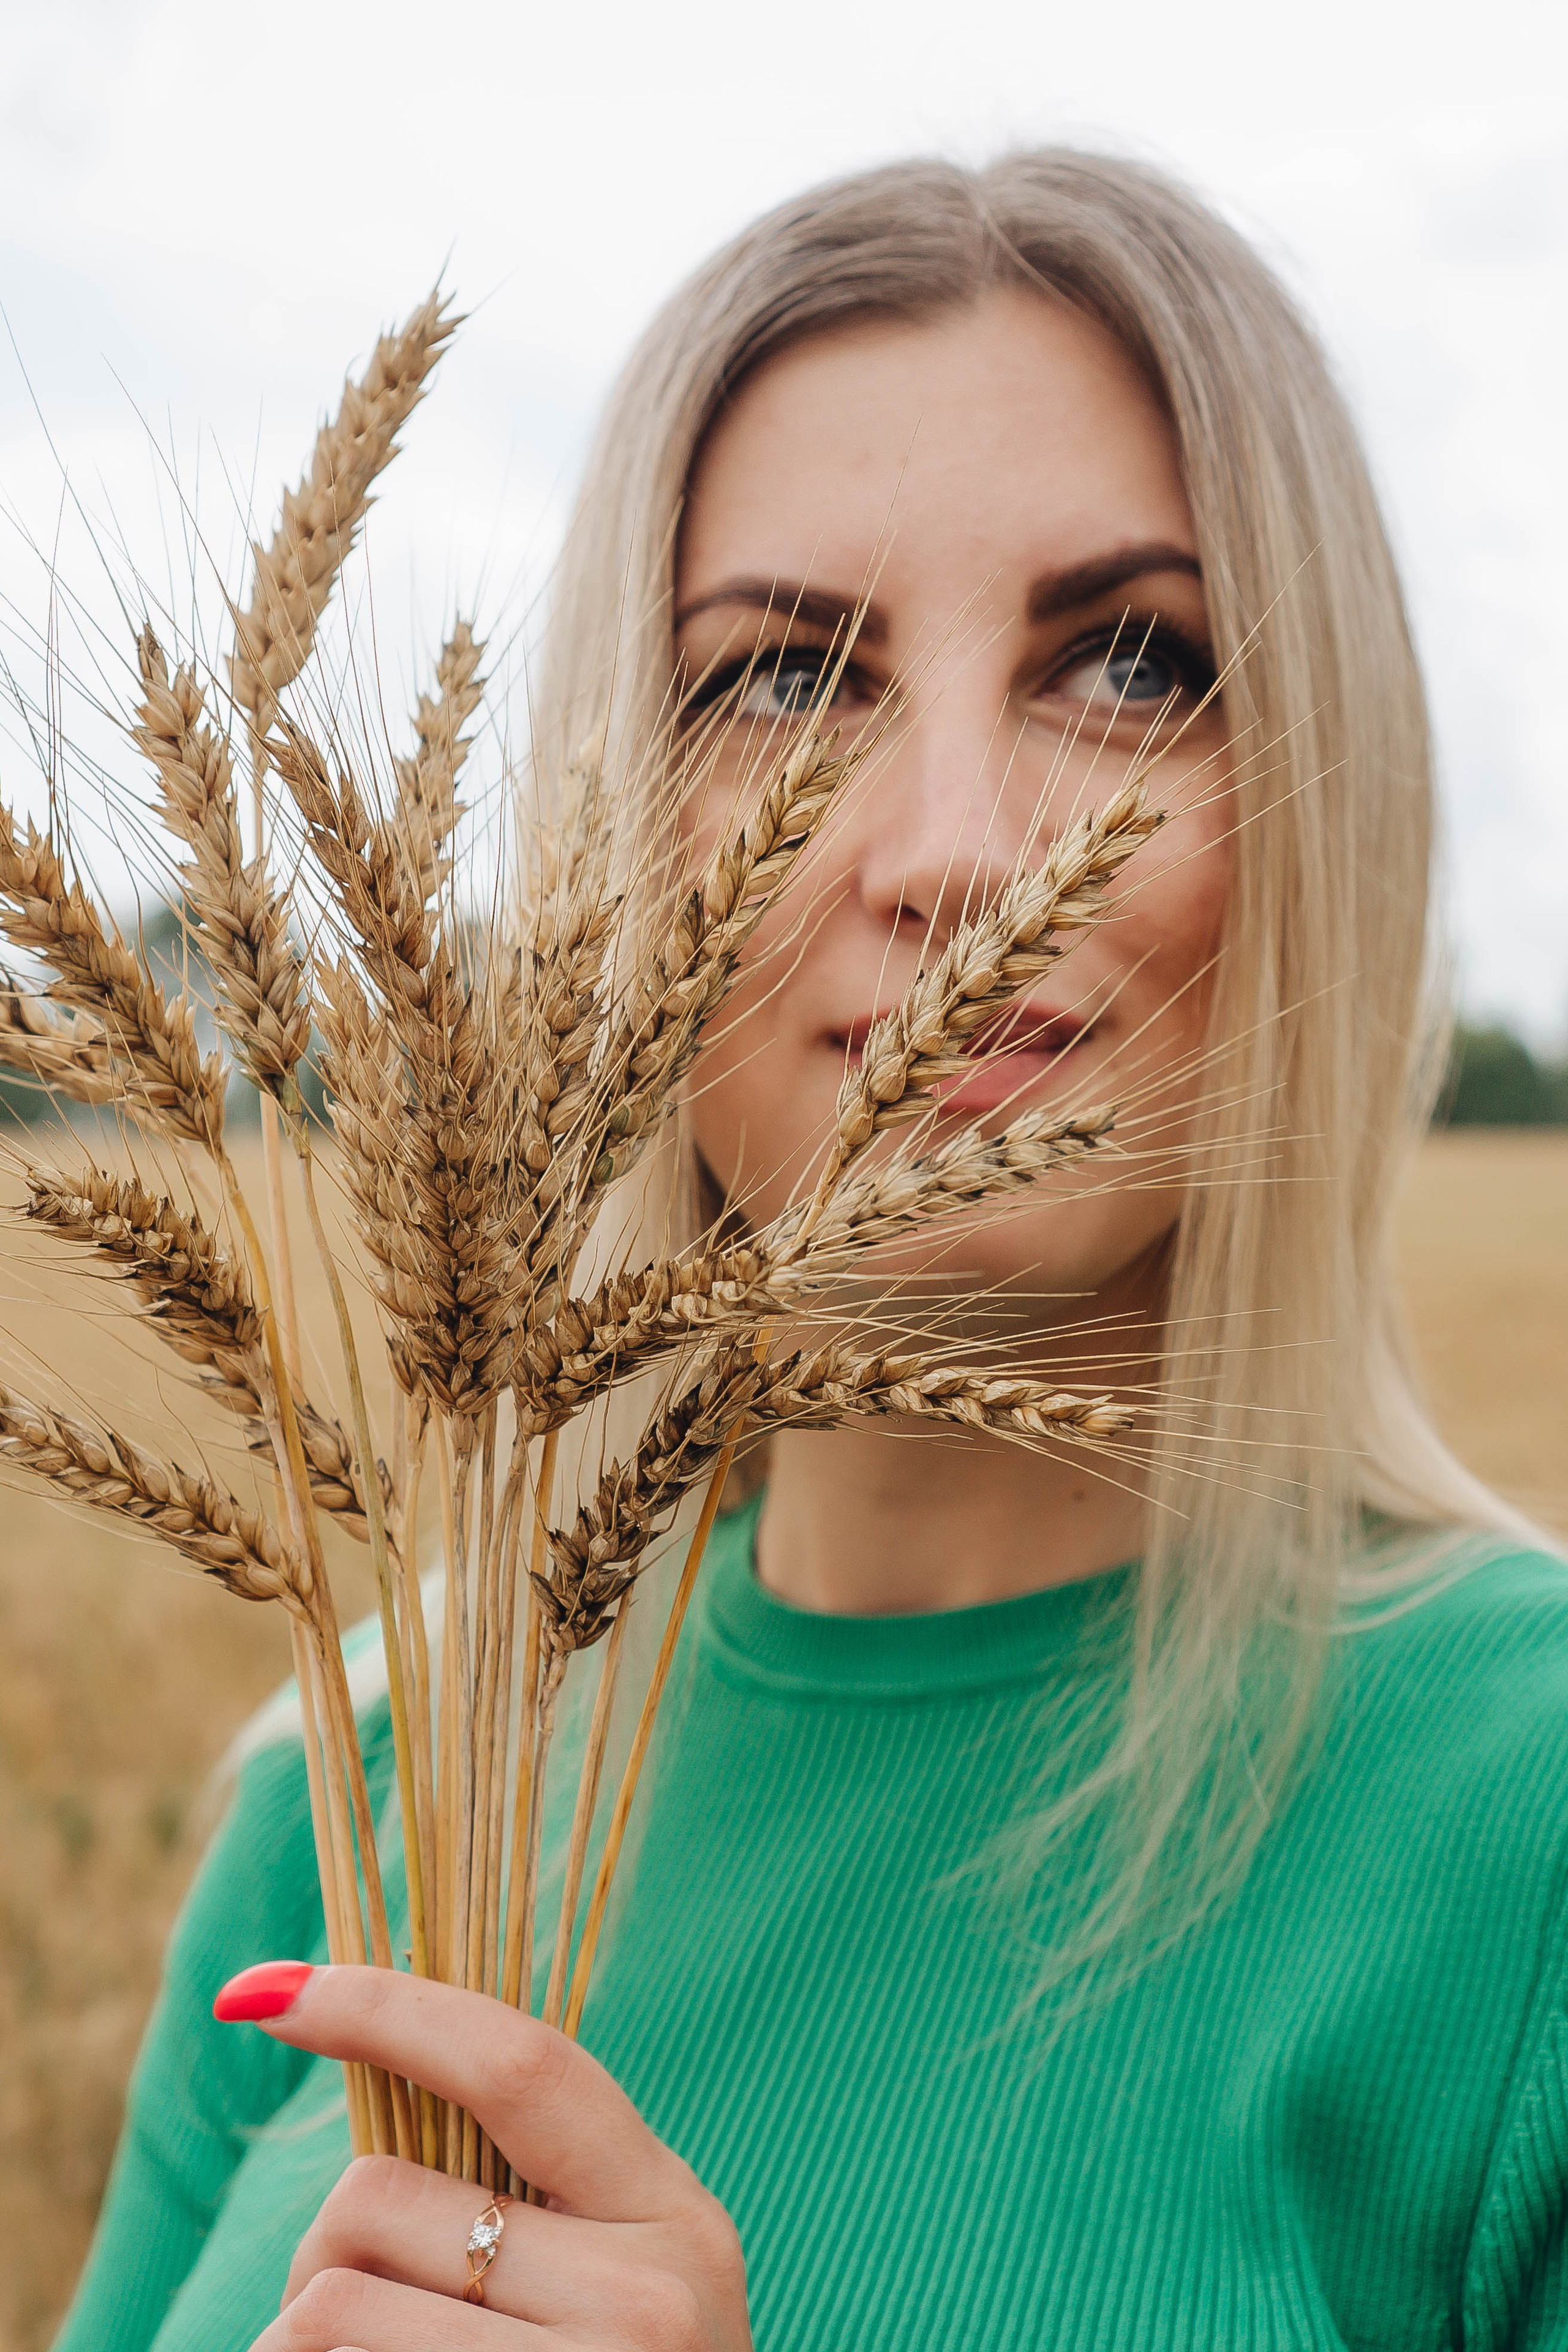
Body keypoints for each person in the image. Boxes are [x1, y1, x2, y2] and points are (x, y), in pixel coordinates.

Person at [56, 151, 1568, 2352]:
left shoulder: (1526, 1836)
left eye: (1131, 660)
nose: (954, 848)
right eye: (780, 680)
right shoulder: (360, 1791)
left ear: (1325, 789)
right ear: (609, 832)